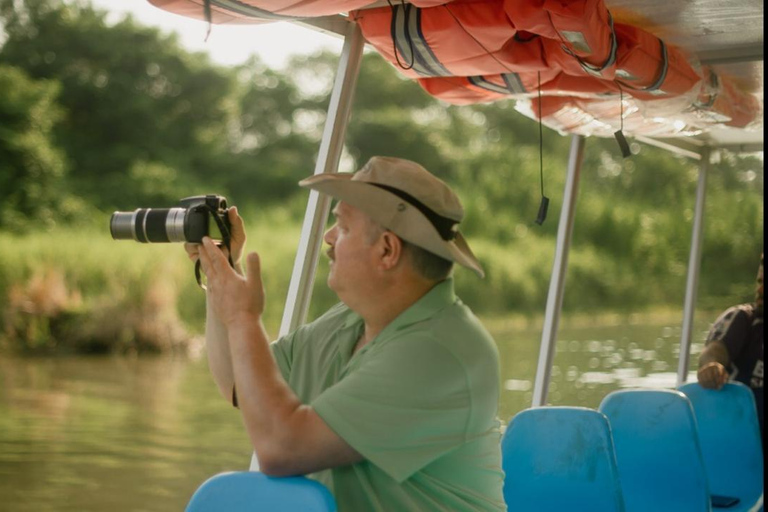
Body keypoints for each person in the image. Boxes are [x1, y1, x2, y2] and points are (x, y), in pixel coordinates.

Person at [187, 156, 506, 511]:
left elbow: (282, 449)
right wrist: (221, 272)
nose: (328, 236)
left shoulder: (439, 351)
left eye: (342, 226)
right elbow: (236, 380)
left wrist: (243, 318)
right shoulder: (351, 319)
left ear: (387, 250)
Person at [697, 254, 764, 442]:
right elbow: (714, 351)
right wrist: (711, 366)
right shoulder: (743, 320)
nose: (760, 290)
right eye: (759, 281)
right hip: (735, 437)